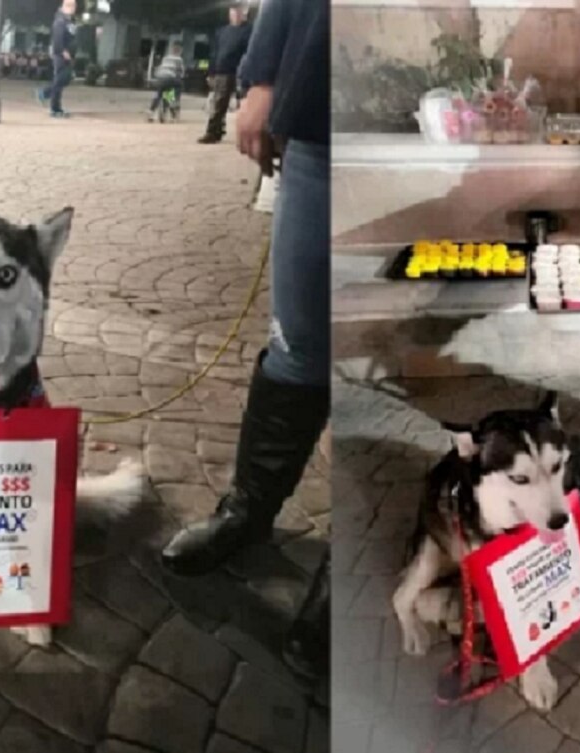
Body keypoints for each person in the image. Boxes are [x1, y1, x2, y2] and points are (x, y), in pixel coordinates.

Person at [160, 0, 330, 678]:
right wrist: (262, 78)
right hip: (321, 116)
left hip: (431, 112)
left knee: (389, 353)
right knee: (297, 342)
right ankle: (248, 511)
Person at [198, 4, 253, 144]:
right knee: (218, 103)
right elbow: (215, 53)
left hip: (242, 72)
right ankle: (213, 132)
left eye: (239, 10)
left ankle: (247, 136)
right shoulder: (222, 31)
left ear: (244, 12)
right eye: (233, 10)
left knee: (246, 105)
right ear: (229, 13)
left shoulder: (250, 30)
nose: (236, 13)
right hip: (222, 71)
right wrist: (211, 72)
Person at [37, 0, 77, 118]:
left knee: (65, 78)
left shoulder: (70, 21)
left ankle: (45, 93)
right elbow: (57, 39)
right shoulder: (60, 21)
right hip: (61, 55)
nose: (72, 8)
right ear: (63, 6)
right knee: (60, 80)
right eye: (69, 5)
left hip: (69, 55)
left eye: (73, 5)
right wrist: (63, 51)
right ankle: (55, 108)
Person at [147, 42, 185, 122]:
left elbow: (160, 67)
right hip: (170, 78)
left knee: (158, 94)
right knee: (171, 92)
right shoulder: (179, 59)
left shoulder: (165, 58)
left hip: (160, 77)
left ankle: (151, 112)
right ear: (180, 51)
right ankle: (171, 112)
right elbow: (181, 72)